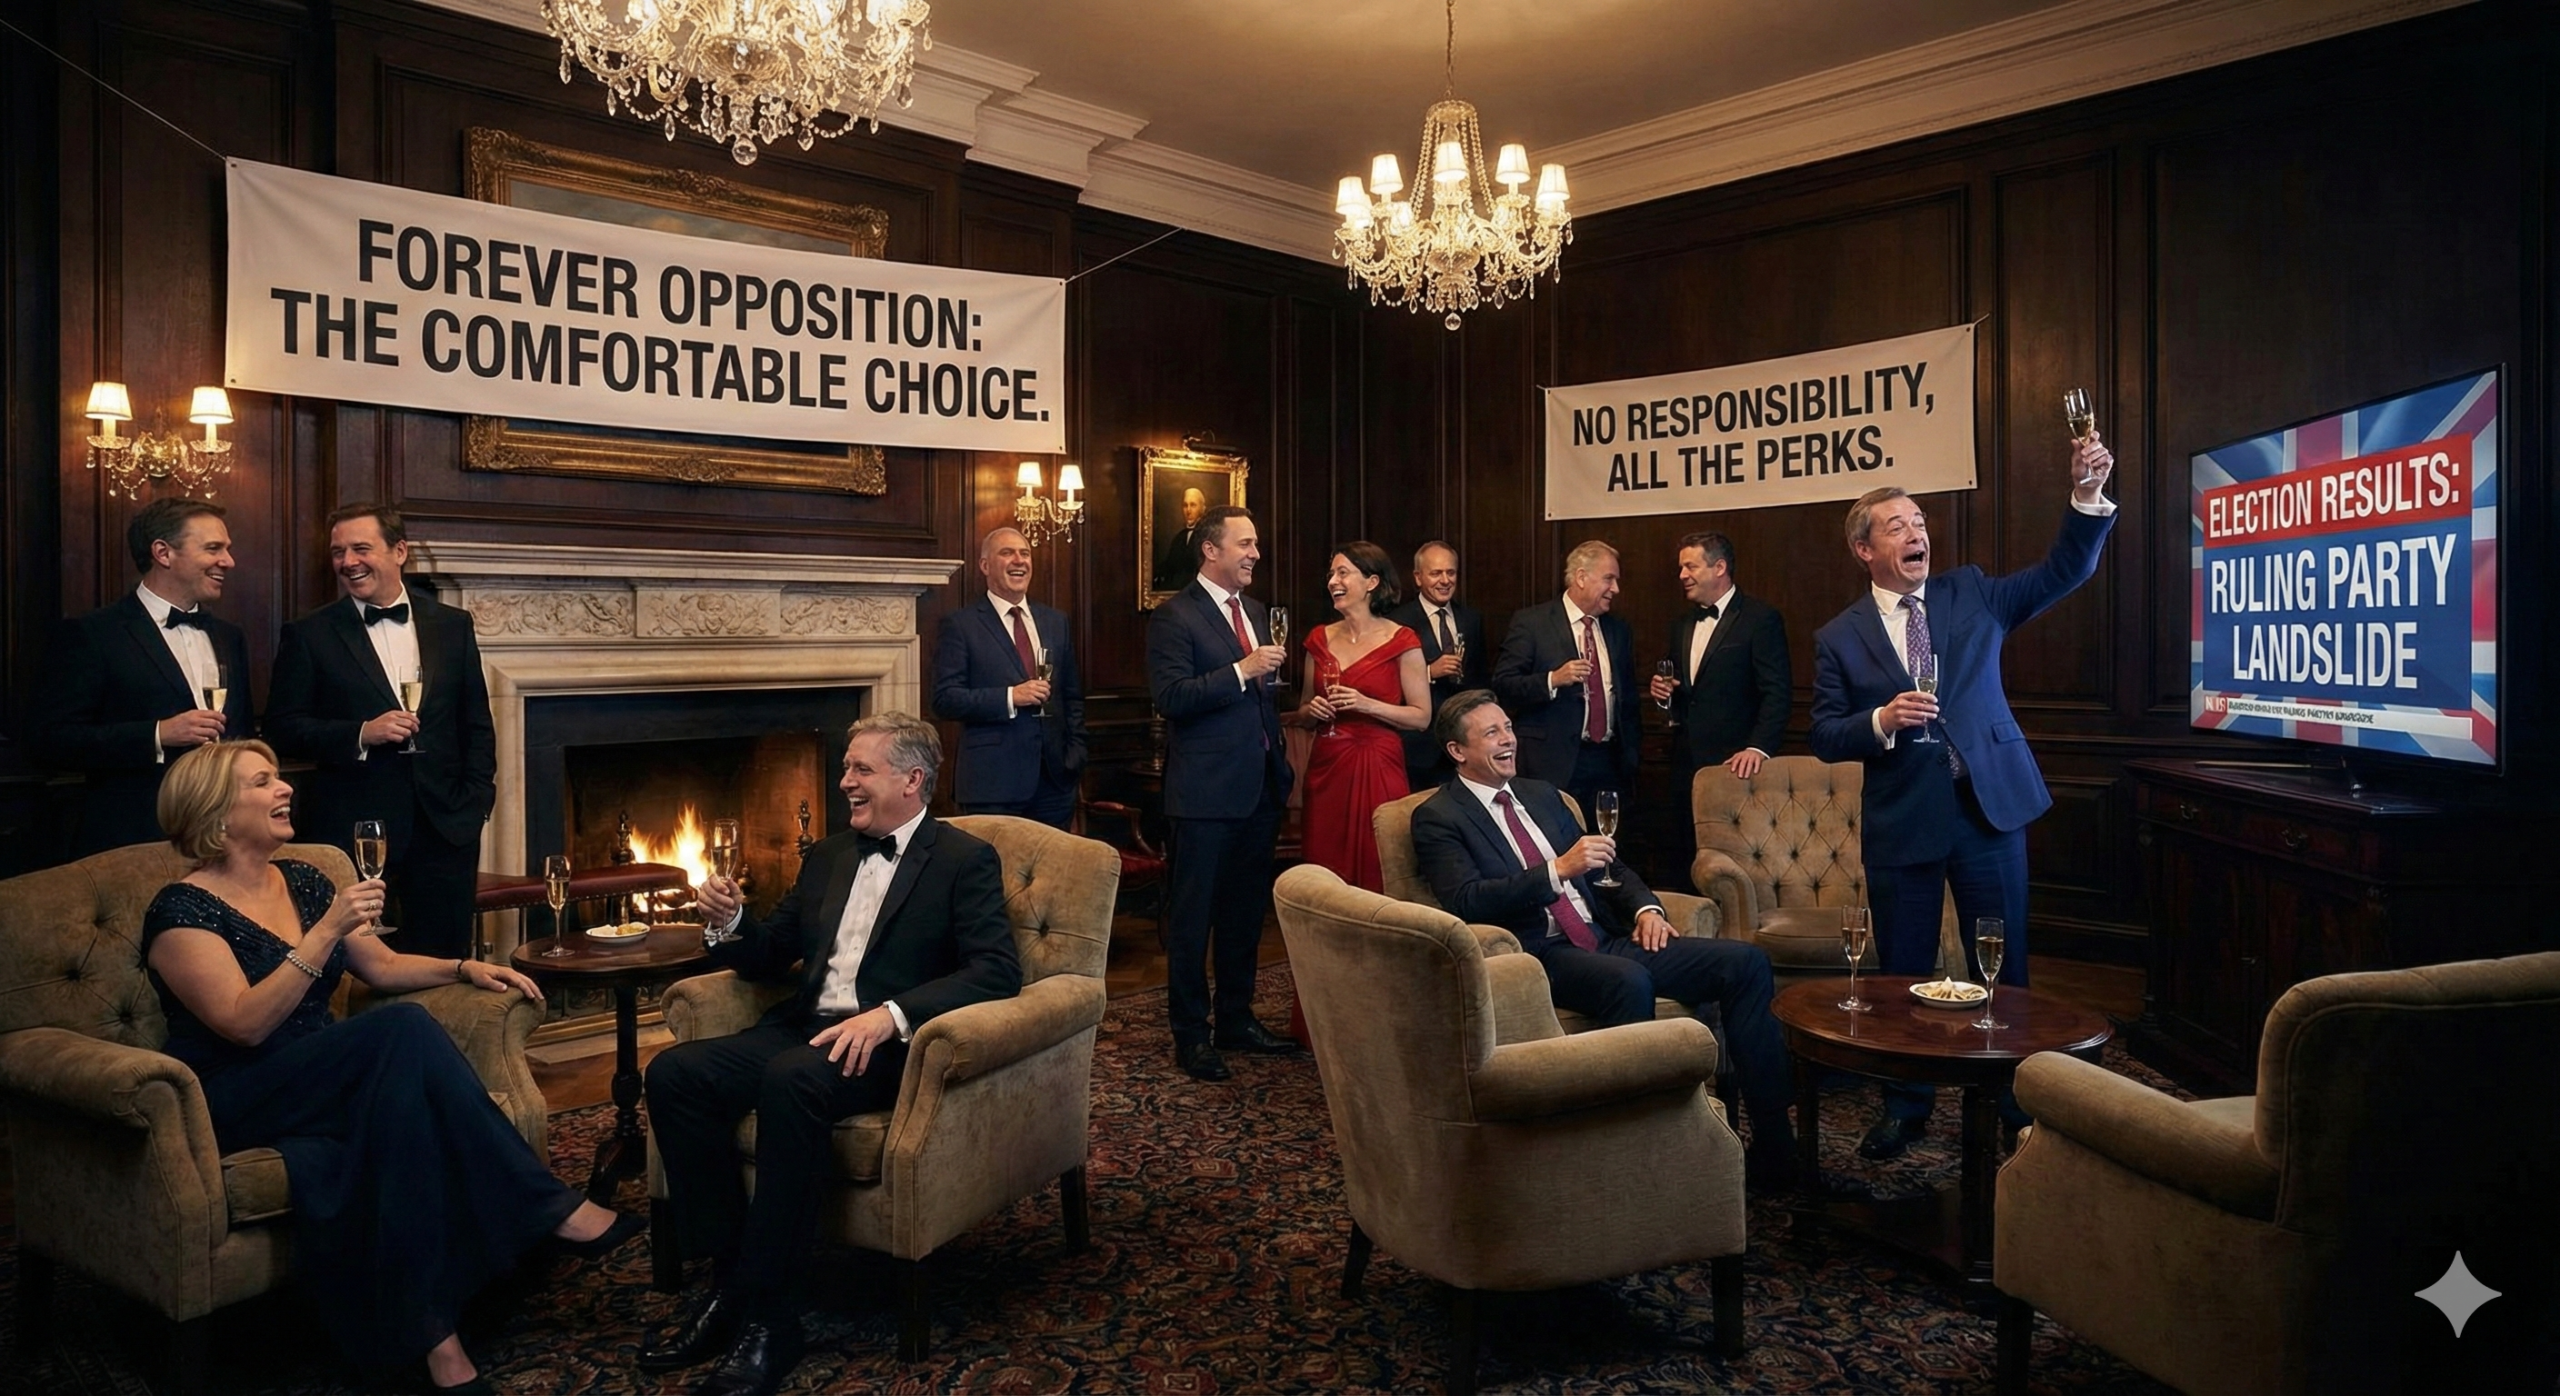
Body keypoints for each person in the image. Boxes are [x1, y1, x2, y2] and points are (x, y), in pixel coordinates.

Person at [141, 740, 639, 1394]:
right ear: (216, 812)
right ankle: (550, 1210)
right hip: (239, 1091)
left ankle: (437, 1341)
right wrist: (325, 933)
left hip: (331, 1077)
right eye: (262, 782)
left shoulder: (304, 879)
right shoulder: (180, 910)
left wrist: (462, 966)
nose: (285, 788)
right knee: (400, 1031)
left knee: (400, 1120)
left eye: (279, 776)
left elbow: (379, 965)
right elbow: (243, 1022)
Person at [643, 713, 1020, 1396]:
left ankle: (772, 1317)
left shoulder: (964, 860)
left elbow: (996, 970)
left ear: (912, 780)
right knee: (675, 1072)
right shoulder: (827, 856)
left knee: (792, 1081)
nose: (844, 780)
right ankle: (729, 1282)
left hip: (889, 1046)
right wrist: (730, 921)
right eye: (846, 766)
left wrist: (891, 1015)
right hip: (803, 1027)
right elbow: (768, 957)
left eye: (861, 769)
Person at [1809, 431, 2117, 1159]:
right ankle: (1906, 1106)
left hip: (1989, 810)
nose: (1916, 534)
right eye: (1897, 526)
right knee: (1902, 971)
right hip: (1905, 820)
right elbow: (1824, 732)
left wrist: (2085, 496)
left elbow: (2065, 569)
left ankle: (2014, 1099)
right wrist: (1880, 720)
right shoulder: (1838, 637)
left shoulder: (1973, 592)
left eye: (1919, 522)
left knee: (2003, 967)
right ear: (1864, 549)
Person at [1409, 690, 1799, 1187]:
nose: (1508, 740)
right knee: (1627, 980)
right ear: (1457, 751)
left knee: (1745, 963)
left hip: (1604, 937)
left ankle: (1775, 1142)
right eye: (1491, 733)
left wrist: (1646, 909)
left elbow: (1607, 867)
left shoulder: (1542, 795)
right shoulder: (1440, 816)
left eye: (1507, 727)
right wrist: (1556, 870)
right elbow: (1467, 900)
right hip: (1541, 954)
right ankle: (1640, 1151)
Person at [265, 504, 496, 962]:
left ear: (399, 551)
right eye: (338, 552)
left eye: (361, 549)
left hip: (447, 829)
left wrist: (475, 804)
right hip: (358, 836)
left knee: (445, 963)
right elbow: (281, 730)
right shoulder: (309, 634)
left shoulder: (452, 625)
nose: (348, 561)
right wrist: (360, 733)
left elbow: (476, 725)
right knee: (362, 969)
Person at [1145, 504, 1298, 1082]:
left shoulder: (1256, 611)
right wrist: (1241, 669)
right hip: (1203, 795)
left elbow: (1263, 698)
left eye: (1255, 544)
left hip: (1259, 788)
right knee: (1193, 921)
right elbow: (1171, 698)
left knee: (1243, 915)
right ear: (1211, 550)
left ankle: (1236, 1019)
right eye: (1245, 544)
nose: (1256, 553)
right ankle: (1191, 1035)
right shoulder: (1174, 616)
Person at [39, 497, 258, 857]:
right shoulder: (93, 634)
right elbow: (51, 740)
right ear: (163, 553)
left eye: (227, 549)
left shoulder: (228, 636)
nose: (228, 561)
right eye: (213, 548)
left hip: (222, 839)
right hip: (132, 837)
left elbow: (241, 734)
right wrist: (157, 734)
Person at [1646, 532, 1792, 889]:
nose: (1682, 575)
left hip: (1737, 768)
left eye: (1690, 566)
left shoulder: (1760, 618)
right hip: (1685, 766)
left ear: (1720, 567)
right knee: (1684, 860)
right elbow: (1686, 694)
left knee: (1736, 867)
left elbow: (1777, 693)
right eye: (1681, 567)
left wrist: (1758, 748)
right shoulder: (1681, 624)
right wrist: (1663, 693)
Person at [1291, 541, 1431, 894]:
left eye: (1343, 573)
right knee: (1324, 865)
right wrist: (1312, 711)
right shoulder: (1319, 639)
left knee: (1378, 859)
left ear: (1371, 582)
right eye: (1331, 574)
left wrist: (1367, 704)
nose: (1332, 581)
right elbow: (1303, 712)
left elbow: (1421, 717)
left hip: (1379, 764)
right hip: (1328, 765)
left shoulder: (1402, 640)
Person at [931, 525, 1087, 828]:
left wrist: (1075, 755)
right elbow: (944, 699)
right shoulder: (961, 625)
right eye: (1007, 553)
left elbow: (1071, 696)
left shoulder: (1056, 621)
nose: (1019, 560)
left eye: (1025, 553)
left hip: (1056, 782)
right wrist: (1010, 696)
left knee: (1055, 860)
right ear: (985, 565)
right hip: (992, 784)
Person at [1493, 540, 1641, 820]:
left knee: (1606, 840)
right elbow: (1504, 685)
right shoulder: (1533, 623)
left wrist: (1631, 755)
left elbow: (1628, 698)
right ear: (1581, 577)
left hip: (1609, 763)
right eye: (1609, 579)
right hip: (1552, 763)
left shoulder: (1618, 629)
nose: (1616, 589)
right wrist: (1552, 679)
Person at [1383, 540, 1486, 792]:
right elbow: (1384, 684)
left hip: (1462, 745)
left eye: (1451, 572)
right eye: (1436, 573)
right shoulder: (1396, 622)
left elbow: (1481, 679)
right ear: (1418, 578)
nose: (1445, 580)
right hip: (1418, 747)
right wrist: (1429, 673)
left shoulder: (1471, 619)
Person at [1151, 486, 1210, 591]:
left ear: (1202, 508)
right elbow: (1170, 566)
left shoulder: (1208, 536)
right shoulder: (1179, 538)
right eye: (1185, 505)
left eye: (1193, 505)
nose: (1188, 510)